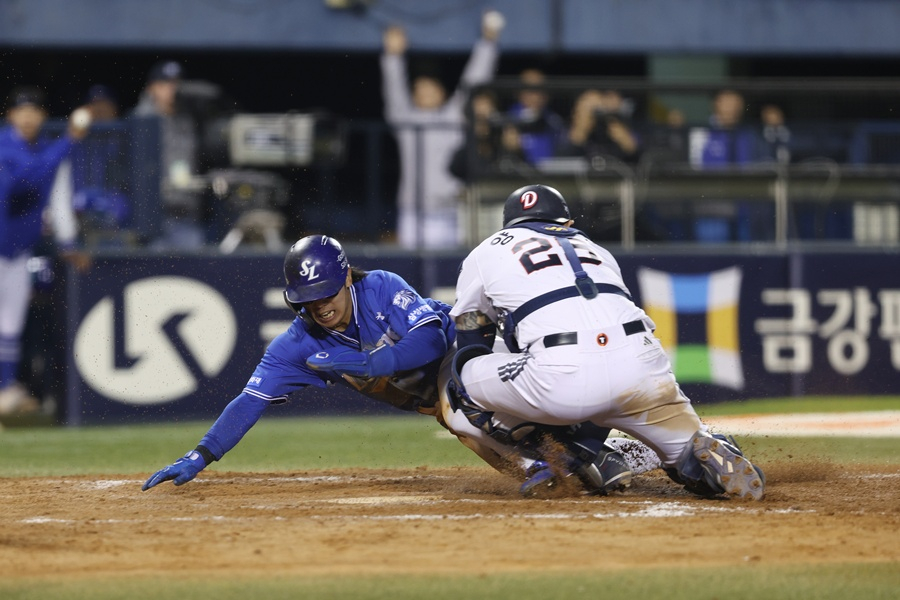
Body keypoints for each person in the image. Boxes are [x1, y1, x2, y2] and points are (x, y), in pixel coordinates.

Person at [142, 235, 654, 493]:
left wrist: (370, 362)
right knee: (470, 431)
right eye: (306, 299)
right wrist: (201, 454)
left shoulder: (380, 287)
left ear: (345, 278)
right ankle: (604, 462)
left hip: (473, 351)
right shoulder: (296, 346)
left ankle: (593, 450)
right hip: (440, 399)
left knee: (464, 409)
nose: (318, 306)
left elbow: (431, 343)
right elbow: (249, 401)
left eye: (324, 293)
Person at [446, 184, 766, 500]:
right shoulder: (593, 248)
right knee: (683, 449)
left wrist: (494, 369)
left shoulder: (488, 249)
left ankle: (561, 458)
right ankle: (695, 453)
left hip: (562, 372)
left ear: (510, 225)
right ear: (566, 223)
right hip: (644, 365)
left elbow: (471, 327)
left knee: (463, 375)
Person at [0, 85, 91, 414]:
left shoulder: (43, 150)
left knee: (10, 324)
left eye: (33, 110)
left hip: (16, 250)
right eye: (20, 110)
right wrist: (68, 141)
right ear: (10, 115)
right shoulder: (4, 145)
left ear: (41, 116)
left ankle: (5, 388)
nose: (27, 116)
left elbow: (55, 196)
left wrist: (68, 242)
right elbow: (24, 181)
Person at [381, 12, 504, 250]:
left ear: (442, 92)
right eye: (419, 89)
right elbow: (393, 89)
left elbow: (474, 80)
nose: (425, 93)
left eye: (430, 88)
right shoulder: (405, 119)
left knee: (451, 278)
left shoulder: (454, 115)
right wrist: (392, 56)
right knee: (411, 279)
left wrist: (488, 42)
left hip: (451, 211)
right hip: (413, 213)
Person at [131, 60, 205, 250]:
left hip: (186, 211)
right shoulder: (141, 118)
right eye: (164, 84)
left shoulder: (186, 119)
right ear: (151, 88)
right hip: (154, 216)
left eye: (175, 83)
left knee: (191, 273)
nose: (171, 89)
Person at [558, 89, 641, 164]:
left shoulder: (621, 127)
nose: (595, 115)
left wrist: (627, 142)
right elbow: (560, 162)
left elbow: (644, 161)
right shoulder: (563, 131)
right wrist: (581, 129)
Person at [505, 69, 567, 166]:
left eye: (541, 89)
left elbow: (564, 154)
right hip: (520, 176)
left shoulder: (554, 120)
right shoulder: (509, 118)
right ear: (519, 92)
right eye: (532, 90)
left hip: (550, 176)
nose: (538, 95)